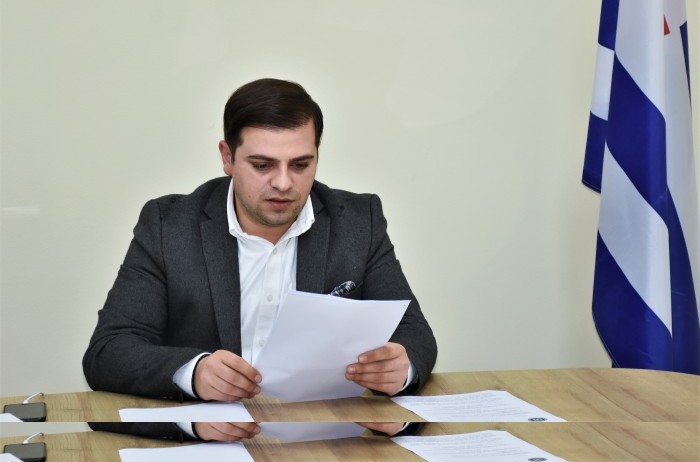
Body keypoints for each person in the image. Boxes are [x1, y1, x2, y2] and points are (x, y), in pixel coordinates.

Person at [83, 78, 437, 442]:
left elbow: (414, 333)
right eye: (263, 165)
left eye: (300, 165)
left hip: (322, 442)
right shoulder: (168, 226)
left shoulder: (357, 223)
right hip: (216, 447)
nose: (283, 183)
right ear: (227, 157)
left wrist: (401, 367)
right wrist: (195, 373)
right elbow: (109, 351)